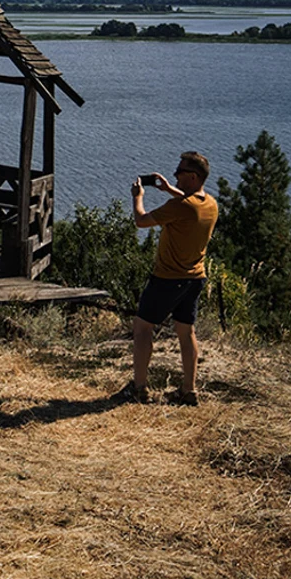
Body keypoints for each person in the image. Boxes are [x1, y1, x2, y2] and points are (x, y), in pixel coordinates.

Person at [117, 151, 218, 405]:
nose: (175, 175)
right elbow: (190, 205)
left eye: (179, 173)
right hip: (195, 278)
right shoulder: (210, 204)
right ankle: (188, 390)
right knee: (186, 332)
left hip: (167, 279)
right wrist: (171, 189)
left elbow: (141, 221)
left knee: (142, 329)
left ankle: (139, 389)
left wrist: (138, 197)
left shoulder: (179, 207)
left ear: (193, 176)